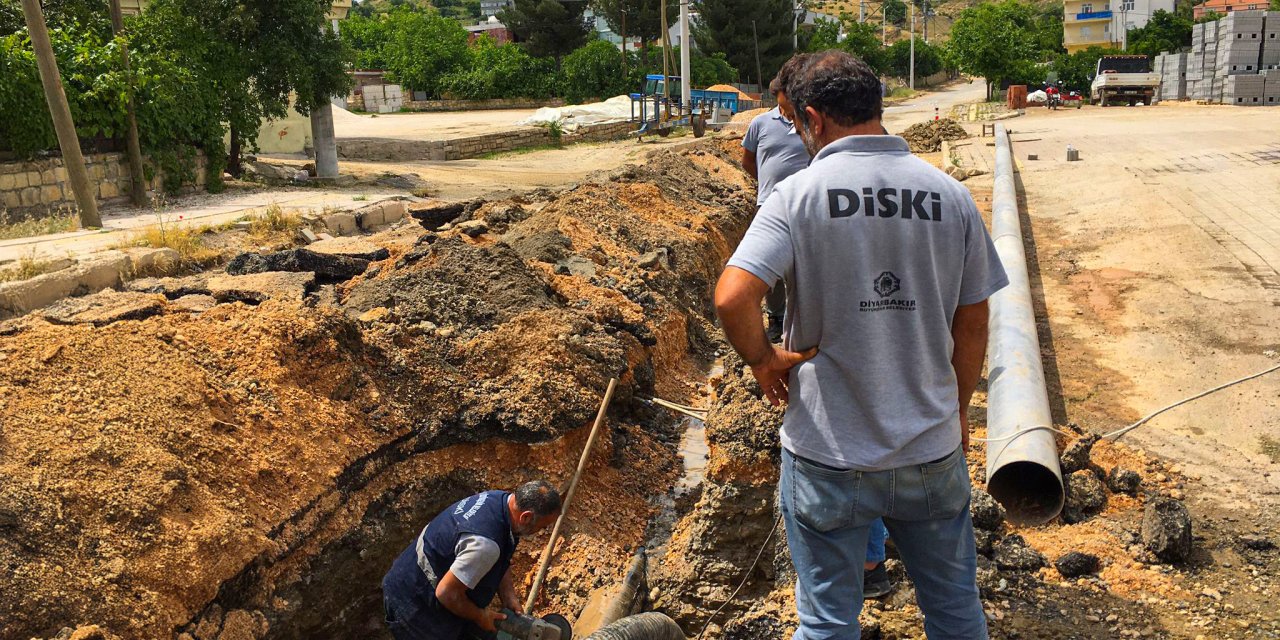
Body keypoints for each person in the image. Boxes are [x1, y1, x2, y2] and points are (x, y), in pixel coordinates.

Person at [714, 50, 1008, 639]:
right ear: (878, 108)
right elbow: (973, 322)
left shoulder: (796, 197)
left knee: (826, 623)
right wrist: (955, 410)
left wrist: (764, 359)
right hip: (928, 447)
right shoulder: (949, 195)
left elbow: (731, 297)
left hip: (828, 451)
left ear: (814, 119)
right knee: (955, 612)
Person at [382, 481, 562, 640]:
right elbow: (447, 593)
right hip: (414, 602)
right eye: (543, 526)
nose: (541, 531)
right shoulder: (484, 545)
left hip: (428, 578)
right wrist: (480, 616)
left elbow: (500, 554)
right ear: (527, 517)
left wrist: (508, 596)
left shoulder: (501, 502)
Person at [741, 66, 810, 343]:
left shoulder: (808, 124)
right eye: (782, 107)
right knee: (771, 267)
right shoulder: (760, 124)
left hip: (806, 207)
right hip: (769, 205)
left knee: (804, 264)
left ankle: (803, 316)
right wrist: (771, 187)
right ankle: (776, 317)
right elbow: (748, 160)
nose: (786, 113)